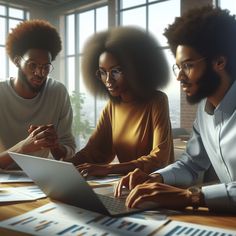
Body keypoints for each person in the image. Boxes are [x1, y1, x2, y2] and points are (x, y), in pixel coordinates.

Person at [115, 6, 236, 213]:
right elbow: (191, 164)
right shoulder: (204, 111)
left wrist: (191, 196)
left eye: (187, 66)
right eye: (178, 67)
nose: (179, 76)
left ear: (219, 62)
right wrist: (155, 177)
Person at [69, 26, 174, 177]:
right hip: (124, 185)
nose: (108, 80)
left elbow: (159, 159)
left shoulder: (157, 101)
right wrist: (61, 166)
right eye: (103, 72)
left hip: (154, 186)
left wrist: (109, 169)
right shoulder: (112, 106)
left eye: (116, 71)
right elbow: (94, 152)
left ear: (134, 69)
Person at [0, 19, 76, 169]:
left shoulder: (58, 92)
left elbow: (69, 151)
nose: (40, 73)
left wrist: (55, 146)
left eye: (45, 67)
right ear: (17, 61)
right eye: (32, 65)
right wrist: (24, 147)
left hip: (41, 179)